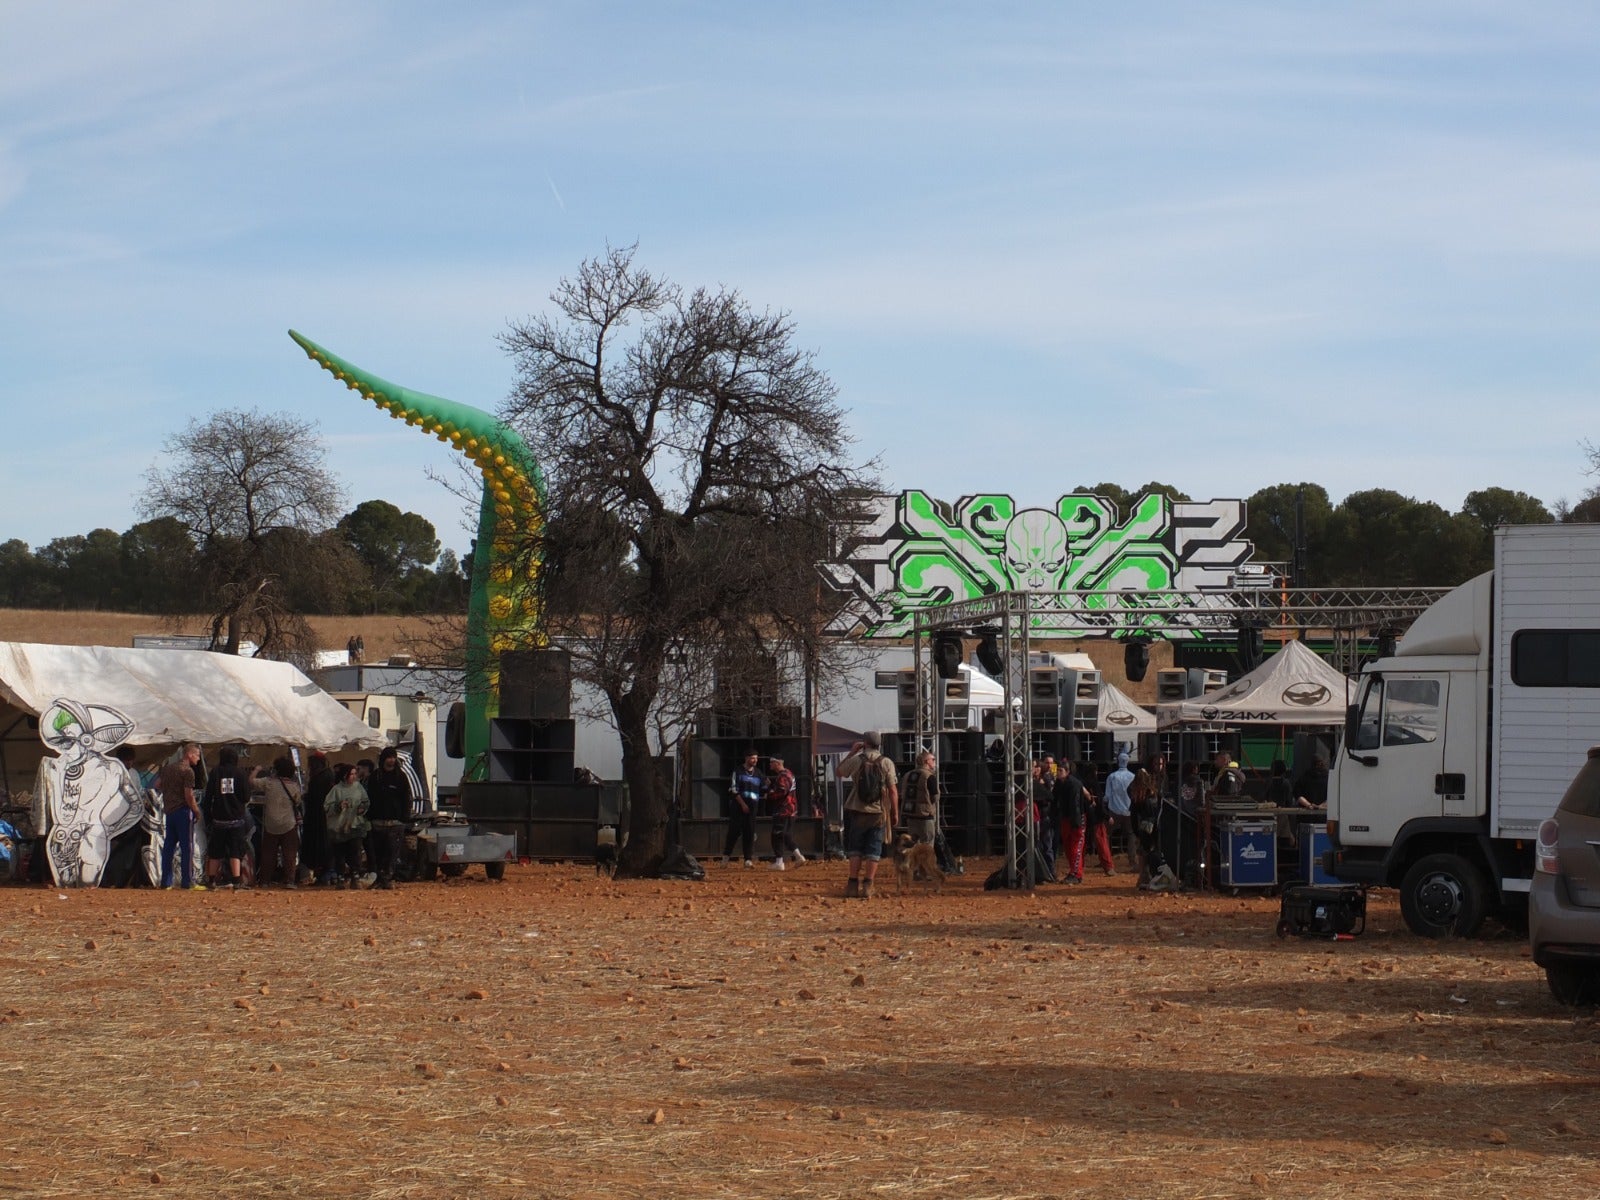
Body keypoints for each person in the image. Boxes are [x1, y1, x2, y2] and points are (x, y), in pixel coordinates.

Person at [839, 731, 898, 899]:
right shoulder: (886, 762)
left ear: (865, 743)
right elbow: (893, 790)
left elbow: (839, 772)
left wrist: (852, 752)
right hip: (878, 812)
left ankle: (852, 885)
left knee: (855, 848)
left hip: (857, 810)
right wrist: (894, 813)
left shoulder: (857, 760)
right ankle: (868, 886)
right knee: (874, 849)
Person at [203, 746, 257, 890]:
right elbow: (246, 796)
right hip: (236, 820)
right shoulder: (240, 774)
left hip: (218, 820)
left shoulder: (215, 772)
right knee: (235, 851)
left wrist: (208, 816)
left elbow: (208, 797)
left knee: (215, 851)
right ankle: (236, 881)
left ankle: (212, 881)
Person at [364, 747, 414, 889]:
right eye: (389, 757)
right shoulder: (375, 776)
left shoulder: (401, 777)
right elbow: (369, 797)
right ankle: (380, 879)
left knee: (392, 853)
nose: (391, 760)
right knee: (378, 853)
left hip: (395, 822)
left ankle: (387, 878)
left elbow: (407, 797)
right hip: (377, 822)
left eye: (393, 757)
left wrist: (405, 816)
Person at [158, 742, 204, 890]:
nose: (198, 759)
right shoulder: (188, 771)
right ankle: (187, 881)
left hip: (169, 812)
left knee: (168, 847)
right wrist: (196, 811)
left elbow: (158, 784)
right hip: (183, 812)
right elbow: (189, 795)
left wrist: (170, 793)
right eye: (197, 755)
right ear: (189, 754)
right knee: (187, 847)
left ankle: (166, 881)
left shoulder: (168, 769)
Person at [252, 755, 303, 888]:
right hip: (288, 823)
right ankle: (290, 880)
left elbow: (251, 781)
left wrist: (256, 769)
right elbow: (298, 801)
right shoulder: (294, 786)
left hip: (270, 824)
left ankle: (264, 881)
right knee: (290, 854)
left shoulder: (268, 782)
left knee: (268, 854)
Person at [324, 763, 370, 888]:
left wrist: (362, 808)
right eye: (351, 774)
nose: (354, 777)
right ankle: (340, 877)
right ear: (345, 775)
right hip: (339, 828)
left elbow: (366, 801)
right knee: (340, 854)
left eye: (355, 774)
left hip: (355, 825)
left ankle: (355, 876)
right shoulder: (336, 790)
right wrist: (339, 806)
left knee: (355, 851)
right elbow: (327, 807)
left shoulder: (358, 787)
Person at [723, 750, 762, 868]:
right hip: (738, 806)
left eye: (756, 758)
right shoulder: (738, 771)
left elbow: (764, 786)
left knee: (749, 832)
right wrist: (742, 804)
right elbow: (734, 789)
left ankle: (748, 859)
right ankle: (726, 857)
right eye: (752, 758)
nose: (755, 760)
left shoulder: (758, 773)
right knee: (734, 832)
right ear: (746, 758)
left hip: (752, 808)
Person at [301, 751, 335, 885]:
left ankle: (323, 873)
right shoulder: (326, 775)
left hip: (319, 817)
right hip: (319, 816)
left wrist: (307, 797)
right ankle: (322, 873)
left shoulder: (322, 777)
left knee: (320, 845)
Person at [765, 753, 804, 870]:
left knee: (776, 836)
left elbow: (781, 792)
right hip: (791, 810)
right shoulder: (789, 774)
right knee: (786, 835)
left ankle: (779, 862)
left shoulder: (782, 776)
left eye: (772, 762)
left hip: (783, 810)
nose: (770, 765)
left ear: (778, 763)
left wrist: (769, 794)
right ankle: (798, 856)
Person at [1053, 758, 1089, 884]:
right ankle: (1073, 871)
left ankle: (1076, 874)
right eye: (1057, 770)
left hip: (1076, 818)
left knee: (1076, 847)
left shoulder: (1074, 784)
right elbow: (1054, 800)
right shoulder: (1059, 783)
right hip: (1066, 818)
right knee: (1068, 848)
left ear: (1067, 771)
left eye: (1060, 770)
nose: (1058, 773)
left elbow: (1076, 805)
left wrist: (1076, 823)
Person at [1103, 751, 1137, 875]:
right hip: (1128, 811)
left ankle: (1107, 859)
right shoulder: (1133, 776)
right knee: (1131, 835)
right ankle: (1132, 861)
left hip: (1114, 811)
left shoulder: (1112, 777)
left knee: (1106, 835)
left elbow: (1107, 796)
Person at [899, 749, 939, 847]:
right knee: (927, 845)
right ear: (926, 762)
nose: (934, 762)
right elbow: (935, 796)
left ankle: (914, 862)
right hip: (925, 816)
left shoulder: (907, 775)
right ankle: (925, 863)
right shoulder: (929, 776)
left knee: (913, 845)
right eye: (933, 759)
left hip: (911, 815)